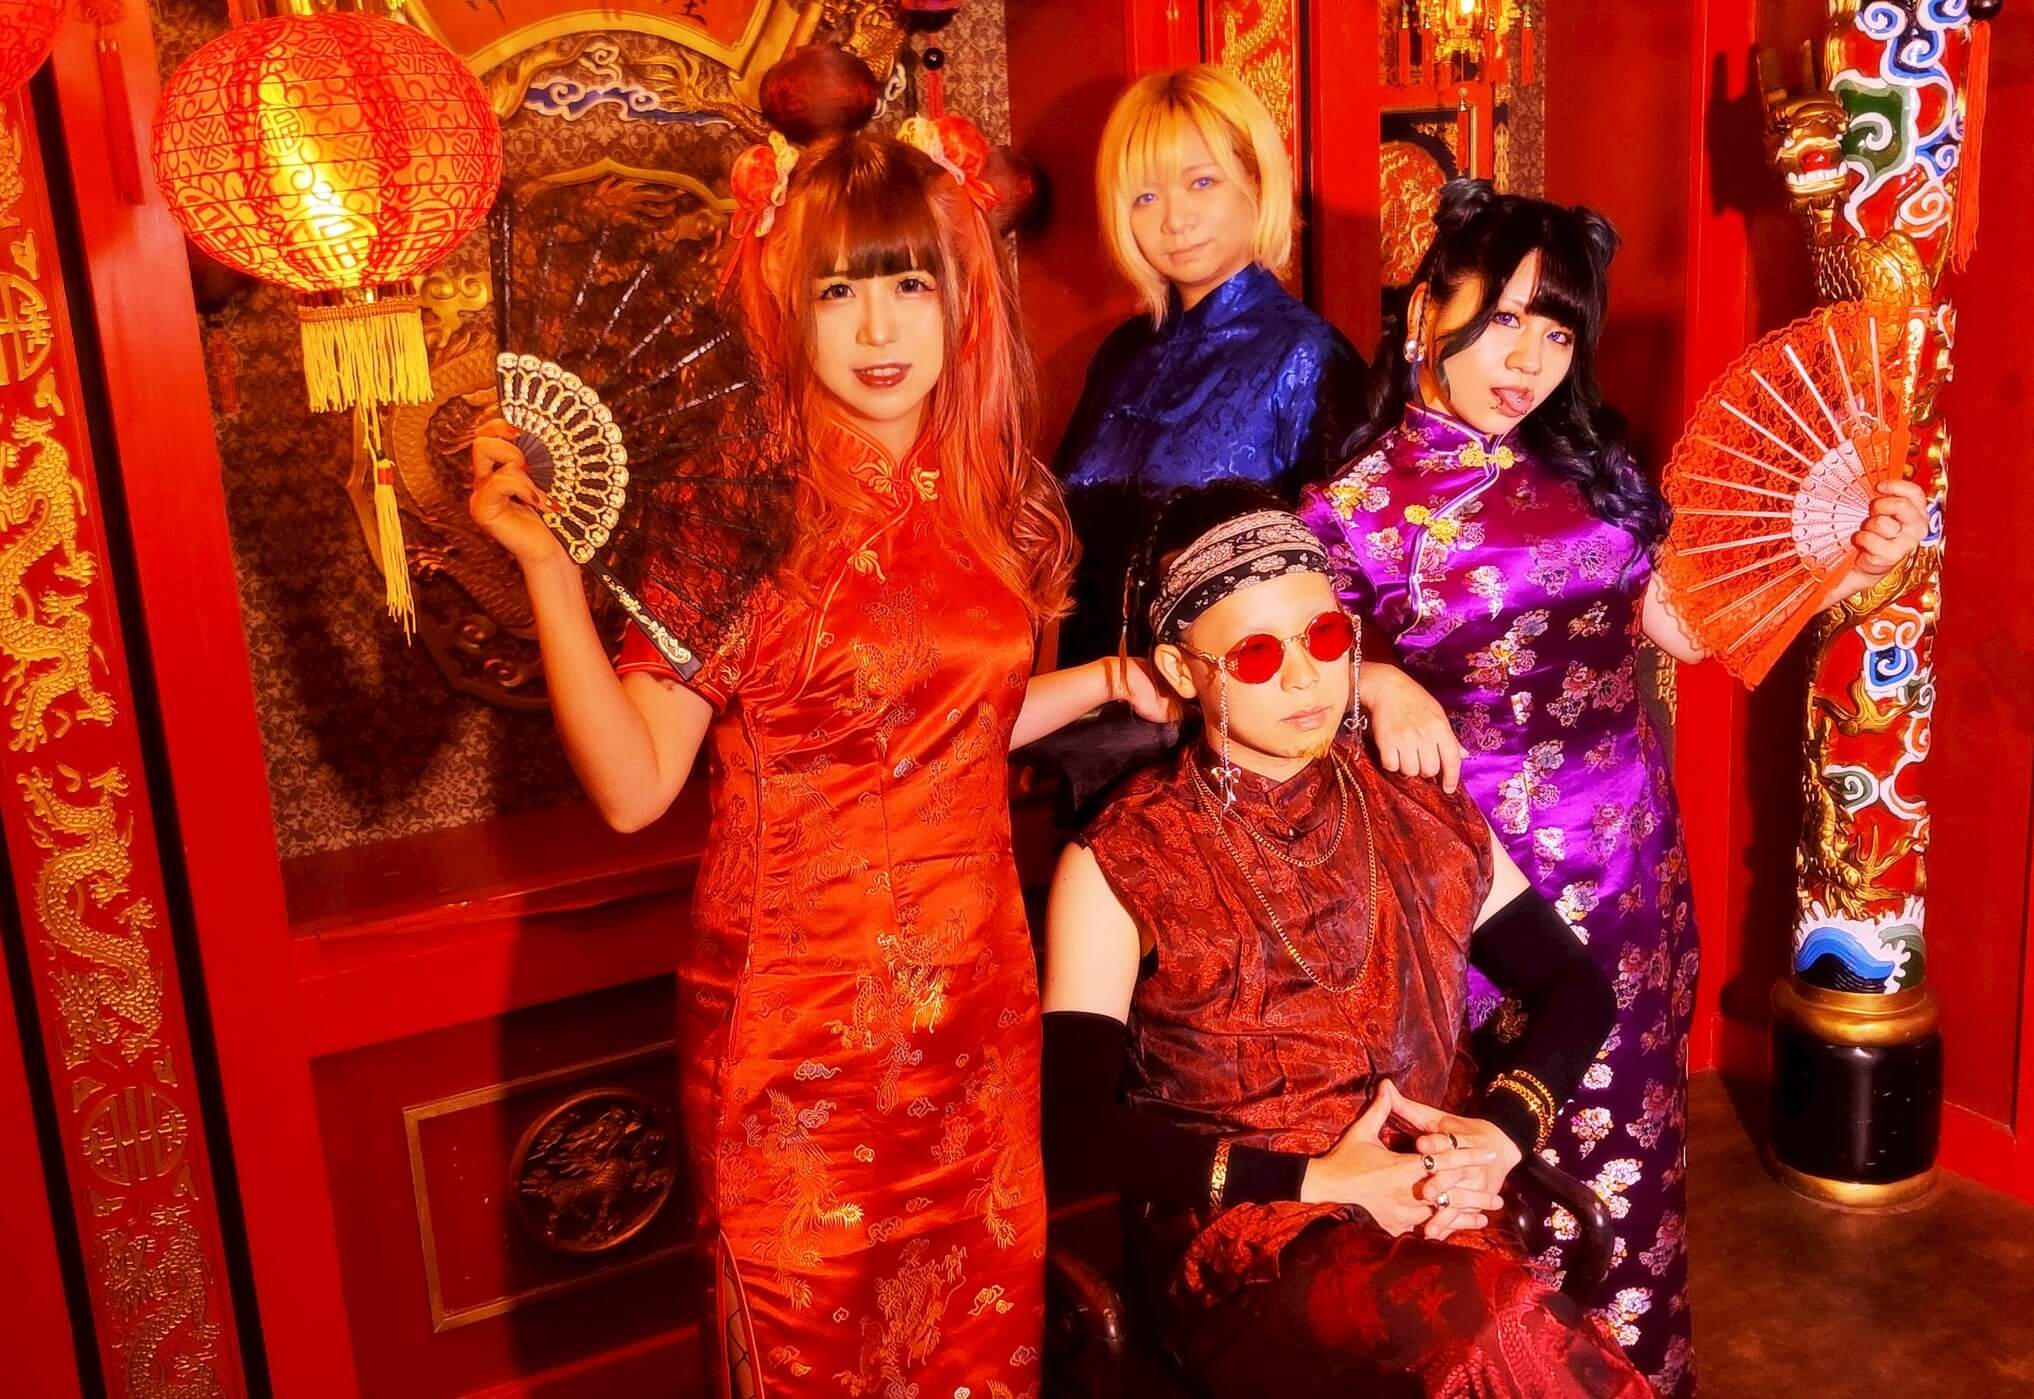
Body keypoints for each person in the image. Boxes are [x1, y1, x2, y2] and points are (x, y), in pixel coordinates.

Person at [467, 126, 1172, 1398]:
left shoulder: (985, 494)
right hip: (799, 1032)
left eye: (910, 283)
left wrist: (1112, 681)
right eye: (839, 288)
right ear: (784, 303)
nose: (879, 327)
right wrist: (551, 579)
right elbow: (634, 787)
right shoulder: (731, 507)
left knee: (976, 1348)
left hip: (976, 1016)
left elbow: (939, 727)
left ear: (961, 295)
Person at [1300, 180, 1928, 1396]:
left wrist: (1852, 563)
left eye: (1557, 331)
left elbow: (1680, 626)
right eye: (1504, 318)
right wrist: (1373, 677)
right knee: (1481, 1158)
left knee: (1632, 1151)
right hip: (1472, 882)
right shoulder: (1353, 506)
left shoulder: (1590, 471)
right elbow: (1278, 670)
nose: (1528, 361)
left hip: (1630, 861)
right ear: (1428, 307)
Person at [1042, 487, 1649, 1398]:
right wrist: (1319, 1180)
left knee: (1503, 1327)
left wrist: (1499, 1130)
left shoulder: (1416, 801)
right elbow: (1074, 1127)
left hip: (1436, 1203)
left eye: (1324, 638)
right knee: (1498, 1340)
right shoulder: (1123, 855)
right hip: (1246, 1242)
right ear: (1180, 669)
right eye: (1256, 653)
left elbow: (1576, 987)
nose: (1304, 678)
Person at [1052, 64, 1363, 667]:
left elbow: (1348, 576)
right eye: (1146, 196)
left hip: (1233, 699)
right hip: (1093, 692)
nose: (1175, 220)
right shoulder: (1121, 353)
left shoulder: (1307, 355)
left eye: (1201, 182)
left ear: (1256, 180)